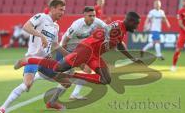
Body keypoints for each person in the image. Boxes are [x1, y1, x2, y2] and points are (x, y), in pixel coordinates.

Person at [14, 12, 143, 87]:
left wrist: (133, 58)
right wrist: (107, 40)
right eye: (136, 24)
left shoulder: (123, 30)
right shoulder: (117, 26)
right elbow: (108, 32)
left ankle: (73, 75)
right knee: (58, 68)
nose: (137, 27)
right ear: (130, 21)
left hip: (95, 55)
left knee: (106, 79)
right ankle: (29, 60)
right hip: (86, 49)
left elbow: (120, 45)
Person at [0, 0, 67, 113]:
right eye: (60, 9)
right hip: (32, 58)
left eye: (64, 10)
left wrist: (68, 55)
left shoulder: (56, 27)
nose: (62, 13)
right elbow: (26, 27)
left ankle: (50, 98)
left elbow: (54, 44)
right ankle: (2, 108)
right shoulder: (41, 17)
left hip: (45, 61)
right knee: (27, 85)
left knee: (66, 82)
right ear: (52, 8)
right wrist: (41, 36)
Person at [40, 6, 107, 104]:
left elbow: (108, 28)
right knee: (67, 76)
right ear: (84, 15)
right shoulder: (77, 25)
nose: (92, 18)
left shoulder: (97, 22)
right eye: (90, 16)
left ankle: (68, 96)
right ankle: (39, 77)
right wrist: (65, 54)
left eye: (94, 15)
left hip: (80, 50)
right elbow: (66, 39)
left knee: (85, 72)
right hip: (68, 49)